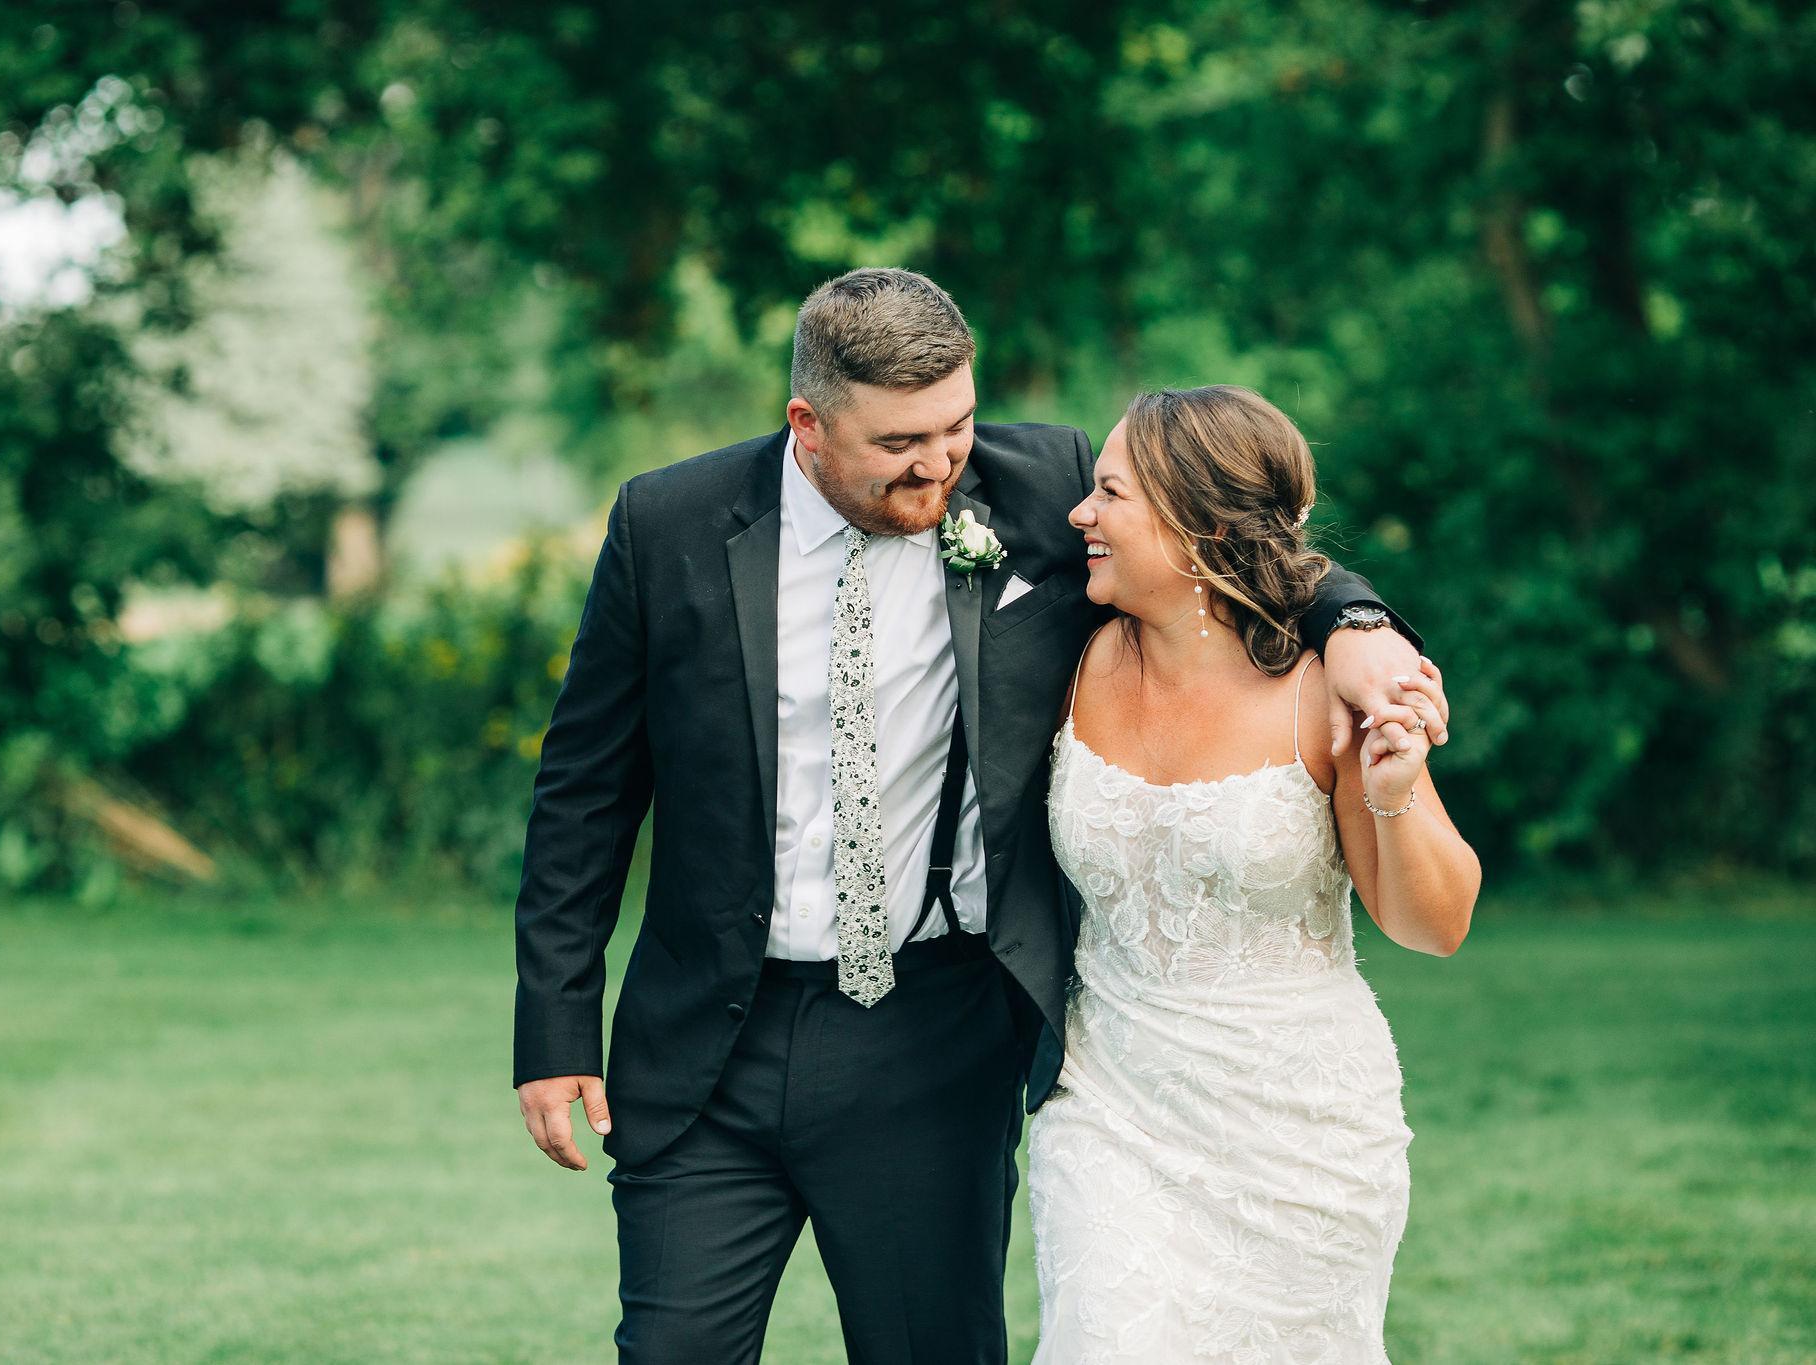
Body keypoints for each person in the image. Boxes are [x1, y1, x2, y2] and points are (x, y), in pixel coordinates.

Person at [512, 269, 1444, 1362]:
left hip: (934, 1037)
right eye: (900, 442)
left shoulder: (1042, 483)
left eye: (956, 423)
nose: (940, 462)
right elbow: (583, 791)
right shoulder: (665, 522)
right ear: (807, 424)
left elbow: (1228, 539)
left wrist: (1358, 624)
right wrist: (554, 1029)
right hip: (705, 1038)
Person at [1028, 385, 1480, 1362]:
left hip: (1301, 1138)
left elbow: (1434, 924)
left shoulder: (1325, 688)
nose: (1079, 513)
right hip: (1109, 1111)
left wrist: (1394, 791)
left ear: (1200, 525)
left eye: (1111, 494)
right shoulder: (1068, 653)